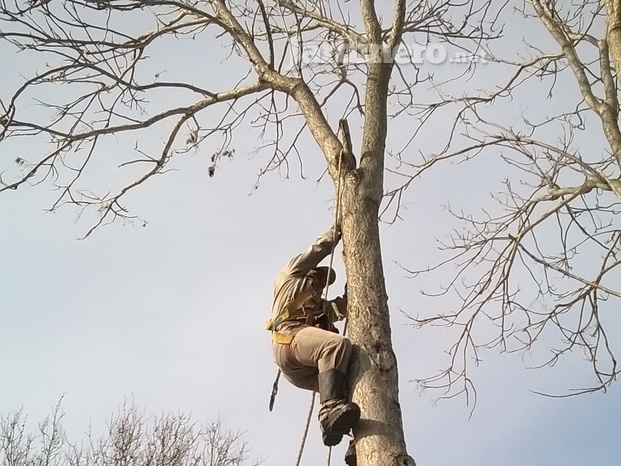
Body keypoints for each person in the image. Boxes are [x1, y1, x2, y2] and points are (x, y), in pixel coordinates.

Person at [267, 226, 360, 447]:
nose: (321, 282)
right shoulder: (289, 277)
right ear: (310, 271)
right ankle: (328, 412)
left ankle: (357, 443)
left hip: (305, 369)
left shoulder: (320, 307)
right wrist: (338, 229)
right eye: (319, 276)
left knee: (350, 388)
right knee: (336, 345)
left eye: (324, 281)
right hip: (288, 340)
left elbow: (343, 308)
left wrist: (354, 288)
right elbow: (317, 250)